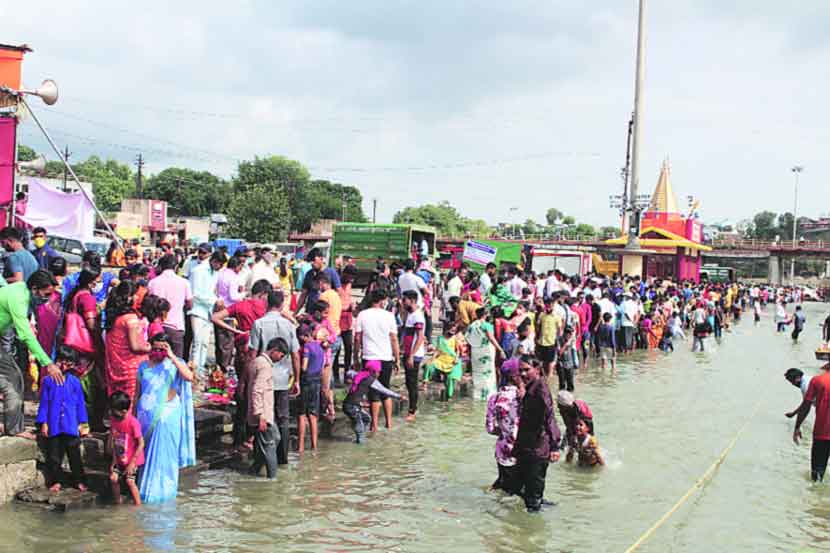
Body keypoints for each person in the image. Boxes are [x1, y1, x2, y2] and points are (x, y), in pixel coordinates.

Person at [0, 271, 62, 438]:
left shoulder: (21, 290)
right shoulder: (19, 299)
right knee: (13, 380)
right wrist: (48, 363)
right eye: (46, 294)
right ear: (35, 289)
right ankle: (15, 429)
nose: (47, 299)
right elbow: (25, 335)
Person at [135, 334, 196, 503]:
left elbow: (189, 377)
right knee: (146, 456)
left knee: (165, 455)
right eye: (154, 348)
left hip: (168, 415)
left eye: (162, 349)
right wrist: (133, 416)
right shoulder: (143, 366)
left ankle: (164, 493)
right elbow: (137, 394)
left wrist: (172, 357)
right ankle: (144, 491)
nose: (157, 352)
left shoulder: (175, 364)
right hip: (145, 418)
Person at [213, 279, 270, 446]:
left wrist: (235, 330)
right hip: (260, 354)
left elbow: (215, 317)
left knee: (243, 392)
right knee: (258, 393)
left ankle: (240, 436)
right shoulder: (265, 308)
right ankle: (252, 436)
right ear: (263, 294)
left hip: (242, 354)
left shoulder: (240, 306)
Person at [249, 290, 300, 465]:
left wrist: (247, 378)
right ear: (281, 305)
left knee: (262, 417)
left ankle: (260, 459)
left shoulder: (259, 324)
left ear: (266, 303)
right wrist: (298, 379)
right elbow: (295, 354)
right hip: (283, 378)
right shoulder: (289, 325)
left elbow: (253, 353)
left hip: (263, 376)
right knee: (283, 419)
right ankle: (282, 458)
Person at [36, 346, 89, 492]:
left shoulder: (75, 382)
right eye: (61, 361)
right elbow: (44, 403)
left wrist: (83, 423)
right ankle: (57, 480)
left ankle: (79, 479)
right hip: (54, 424)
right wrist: (44, 423)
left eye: (68, 362)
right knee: (54, 456)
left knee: (75, 455)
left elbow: (80, 404)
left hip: (71, 425)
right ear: (56, 361)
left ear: (73, 364)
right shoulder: (48, 381)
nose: (64, 365)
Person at [514, 359, 561, 513]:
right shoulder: (531, 387)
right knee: (526, 487)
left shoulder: (540, 389)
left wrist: (554, 446)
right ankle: (537, 501)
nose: (522, 374)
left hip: (538, 448)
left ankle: (531, 528)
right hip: (529, 446)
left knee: (532, 497)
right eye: (520, 370)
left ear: (537, 369)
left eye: (527, 370)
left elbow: (549, 417)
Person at [62, 266, 105, 429]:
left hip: (75, 345)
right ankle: (90, 422)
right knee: (93, 386)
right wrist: (99, 344)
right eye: (99, 279)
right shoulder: (86, 298)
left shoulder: (75, 294)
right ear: (92, 281)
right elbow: (91, 324)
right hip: (86, 347)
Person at [353, 290, 400, 432]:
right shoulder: (389, 316)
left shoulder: (362, 315)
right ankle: (389, 424)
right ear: (382, 301)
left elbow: (357, 338)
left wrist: (355, 357)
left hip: (369, 357)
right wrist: (397, 358)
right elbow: (393, 338)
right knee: (385, 389)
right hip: (385, 357)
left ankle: (374, 426)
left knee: (373, 392)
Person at [105, 281, 151, 405]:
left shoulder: (115, 316)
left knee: (118, 404)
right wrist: (150, 347)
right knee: (131, 405)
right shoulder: (131, 318)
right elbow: (135, 346)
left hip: (116, 366)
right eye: (136, 295)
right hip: (131, 368)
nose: (138, 298)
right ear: (129, 297)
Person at [248, 338, 288, 478]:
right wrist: (260, 416)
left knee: (275, 438)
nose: (280, 359)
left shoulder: (258, 361)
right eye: (281, 356)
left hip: (264, 412)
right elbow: (257, 390)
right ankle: (272, 479)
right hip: (262, 413)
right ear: (274, 350)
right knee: (270, 443)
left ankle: (255, 468)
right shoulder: (264, 365)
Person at [485, 359, 523, 494]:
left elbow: (490, 428)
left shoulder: (493, 398)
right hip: (518, 448)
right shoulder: (519, 396)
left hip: (501, 448)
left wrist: (504, 431)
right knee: (516, 490)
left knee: (503, 482)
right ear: (515, 376)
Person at [342, 360, 401, 444]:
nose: (379, 374)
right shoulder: (371, 380)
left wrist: (350, 377)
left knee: (367, 419)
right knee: (360, 426)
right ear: (373, 371)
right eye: (378, 372)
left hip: (350, 405)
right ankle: (360, 443)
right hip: (352, 406)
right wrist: (399, 396)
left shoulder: (359, 374)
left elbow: (349, 372)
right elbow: (384, 391)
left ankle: (358, 433)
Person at [147, 254, 193, 358]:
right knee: (175, 361)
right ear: (176, 267)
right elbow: (190, 304)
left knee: (156, 360)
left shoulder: (153, 283)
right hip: (176, 326)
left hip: (156, 326)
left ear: (161, 266)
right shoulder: (184, 283)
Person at [189, 251, 225, 379]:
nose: (219, 269)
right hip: (197, 310)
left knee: (205, 343)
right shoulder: (198, 271)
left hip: (208, 311)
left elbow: (211, 291)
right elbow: (196, 293)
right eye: (219, 265)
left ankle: (200, 370)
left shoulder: (215, 272)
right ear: (214, 261)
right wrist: (214, 300)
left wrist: (217, 300)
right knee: (197, 342)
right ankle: (193, 371)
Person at [108, 391, 144, 505]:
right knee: (113, 478)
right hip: (120, 458)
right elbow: (114, 441)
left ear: (124, 411)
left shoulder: (133, 423)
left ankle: (138, 505)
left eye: (114, 410)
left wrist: (132, 463)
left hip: (133, 459)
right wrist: (114, 460)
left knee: (130, 481)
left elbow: (141, 443)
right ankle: (118, 502)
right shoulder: (114, 420)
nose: (112, 413)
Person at [466, 307, 505, 401]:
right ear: (486, 314)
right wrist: (500, 350)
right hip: (486, 351)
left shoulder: (472, 325)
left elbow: (467, 338)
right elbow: (491, 338)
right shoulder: (486, 325)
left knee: (477, 373)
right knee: (488, 373)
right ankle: (488, 395)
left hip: (475, 351)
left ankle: (477, 394)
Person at [214, 256, 245, 371]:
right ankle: (224, 367)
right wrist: (243, 295)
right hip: (228, 309)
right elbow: (233, 296)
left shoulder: (220, 274)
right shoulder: (233, 277)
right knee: (227, 340)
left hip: (218, 307)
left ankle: (219, 365)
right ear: (237, 266)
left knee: (219, 340)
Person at [297, 326, 324, 452]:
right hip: (317, 380)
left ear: (304, 336)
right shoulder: (319, 346)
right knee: (313, 415)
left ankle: (301, 447)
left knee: (302, 414)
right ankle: (314, 446)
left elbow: (304, 366)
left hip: (307, 380)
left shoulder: (307, 347)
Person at [401, 290, 426, 421]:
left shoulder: (417, 316)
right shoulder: (410, 315)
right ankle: (413, 406)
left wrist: (411, 355)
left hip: (414, 355)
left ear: (412, 300)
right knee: (408, 382)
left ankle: (412, 410)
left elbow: (420, 337)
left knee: (412, 382)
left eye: (404, 300)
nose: (402, 302)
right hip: (408, 352)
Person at [295, 248, 341, 315]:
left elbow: (339, 292)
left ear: (321, 258)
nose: (312, 263)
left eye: (314, 260)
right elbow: (303, 294)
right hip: (310, 313)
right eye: (311, 261)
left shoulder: (331, 272)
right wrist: (295, 312)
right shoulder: (309, 274)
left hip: (325, 315)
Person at [556, 326, 578, 391]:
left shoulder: (572, 340)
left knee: (570, 385)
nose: (570, 335)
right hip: (561, 364)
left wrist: (575, 365)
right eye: (569, 334)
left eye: (571, 334)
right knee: (562, 385)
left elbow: (574, 352)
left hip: (570, 364)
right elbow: (559, 353)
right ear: (565, 333)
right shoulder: (559, 340)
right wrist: (566, 344)